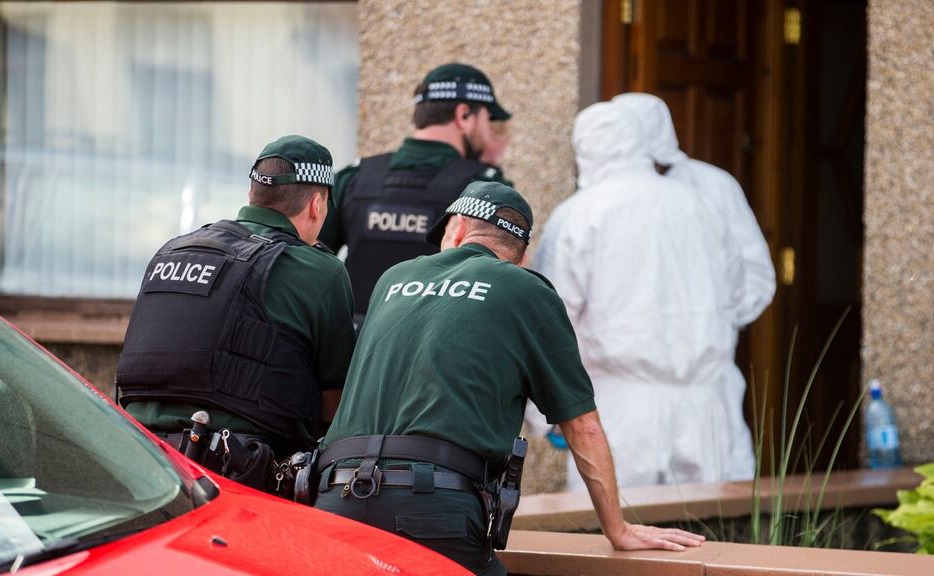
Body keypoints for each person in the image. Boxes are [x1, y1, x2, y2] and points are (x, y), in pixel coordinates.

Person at [314, 181, 704, 575]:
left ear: (459, 229)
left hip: (336, 498)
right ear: (522, 257)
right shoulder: (525, 290)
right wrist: (617, 530)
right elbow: (582, 427)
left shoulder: (392, 280)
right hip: (433, 507)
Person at [116, 135, 356, 492]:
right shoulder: (320, 271)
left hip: (134, 460)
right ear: (316, 205)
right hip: (237, 478)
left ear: (251, 195)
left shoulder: (174, 250)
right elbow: (335, 406)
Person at [533, 101, 752, 490]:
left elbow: (547, 320)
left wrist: (545, 413)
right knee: (712, 538)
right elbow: (740, 290)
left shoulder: (580, 214)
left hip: (619, 412)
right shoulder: (700, 205)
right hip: (708, 408)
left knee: (619, 538)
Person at [613, 93, 777, 482]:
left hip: (704, 386)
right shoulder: (607, 193)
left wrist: (703, 322)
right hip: (626, 394)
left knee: (709, 514)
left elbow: (754, 277)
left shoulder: (714, 187)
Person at [318, 62, 513, 327]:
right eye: (487, 119)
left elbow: (308, 262)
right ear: (464, 115)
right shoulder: (484, 188)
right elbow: (501, 283)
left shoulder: (356, 177)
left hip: (355, 357)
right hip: (435, 354)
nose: (488, 131)